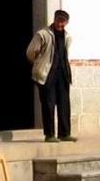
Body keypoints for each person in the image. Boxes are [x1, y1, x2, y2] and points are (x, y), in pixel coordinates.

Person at [26, 9, 75, 142]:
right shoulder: (43, 34)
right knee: (48, 105)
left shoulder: (67, 37)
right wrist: (38, 63)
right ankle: (49, 135)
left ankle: (64, 133)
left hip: (63, 75)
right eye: (58, 20)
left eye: (63, 21)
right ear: (54, 19)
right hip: (46, 75)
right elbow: (30, 52)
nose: (60, 23)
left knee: (64, 104)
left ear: (66, 22)